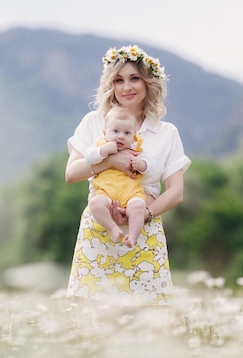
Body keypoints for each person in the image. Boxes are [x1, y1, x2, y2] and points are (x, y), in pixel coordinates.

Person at [65, 44, 191, 306]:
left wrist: (146, 214)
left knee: (148, 318)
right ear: (110, 85)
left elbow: (176, 193)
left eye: (134, 78)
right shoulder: (94, 122)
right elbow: (71, 173)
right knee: (91, 316)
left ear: (148, 83)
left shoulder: (166, 132)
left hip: (143, 230)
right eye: (119, 80)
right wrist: (112, 160)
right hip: (100, 229)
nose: (126, 87)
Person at [85, 107, 150, 248]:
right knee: (95, 204)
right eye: (115, 131)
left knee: (139, 207)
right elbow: (89, 157)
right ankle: (113, 227)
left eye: (126, 133)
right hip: (106, 191)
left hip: (131, 193)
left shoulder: (136, 149)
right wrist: (104, 151)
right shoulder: (101, 144)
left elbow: (151, 166)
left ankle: (132, 236)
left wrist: (142, 164)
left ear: (134, 136)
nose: (120, 136)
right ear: (105, 133)